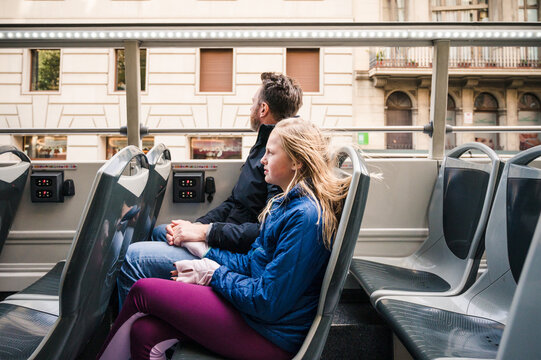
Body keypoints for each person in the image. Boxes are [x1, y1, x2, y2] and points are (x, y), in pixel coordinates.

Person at [97, 118, 351, 360]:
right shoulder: (284, 204)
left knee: (143, 291)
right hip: (258, 316)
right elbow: (253, 265)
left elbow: (267, 301)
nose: (263, 159)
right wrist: (205, 253)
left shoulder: (305, 217)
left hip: (271, 334)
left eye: (271, 153)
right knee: (144, 332)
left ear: (295, 162)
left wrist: (213, 273)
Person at [117, 73, 303, 306]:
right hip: (227, 238)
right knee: (162, 232)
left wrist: (207, 233)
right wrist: (197, 225)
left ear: (263, 109)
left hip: (237, 252)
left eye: (253, 102)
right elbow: (235, 203)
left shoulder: (280, 163)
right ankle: (164, 307)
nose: (251, 107)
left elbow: (264, 233)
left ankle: (131, 327)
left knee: (133, 258)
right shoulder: (261, 149)